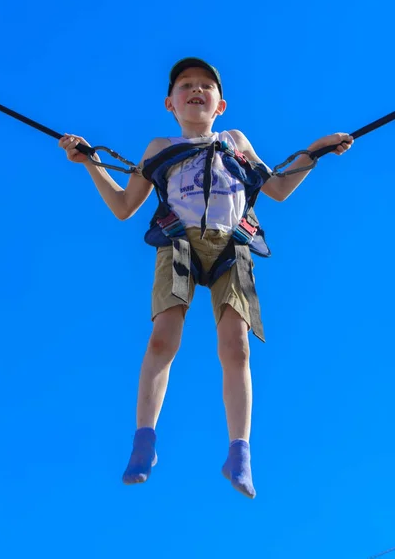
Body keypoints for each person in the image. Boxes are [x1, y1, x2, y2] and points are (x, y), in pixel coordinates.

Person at [59, 58, 353, 499]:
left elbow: (276, 188)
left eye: (205, 87)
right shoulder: (159, 147)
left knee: (235, 346)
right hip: (177, 243)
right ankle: (144, 441)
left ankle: (240, 452)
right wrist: (90, 162)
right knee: (163, 339)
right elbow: (124, 206)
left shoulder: (234, 140)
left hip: (232, 245)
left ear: (221, 104)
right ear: (170, 103)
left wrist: (315, 151)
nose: (196, 91)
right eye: (186, 86)